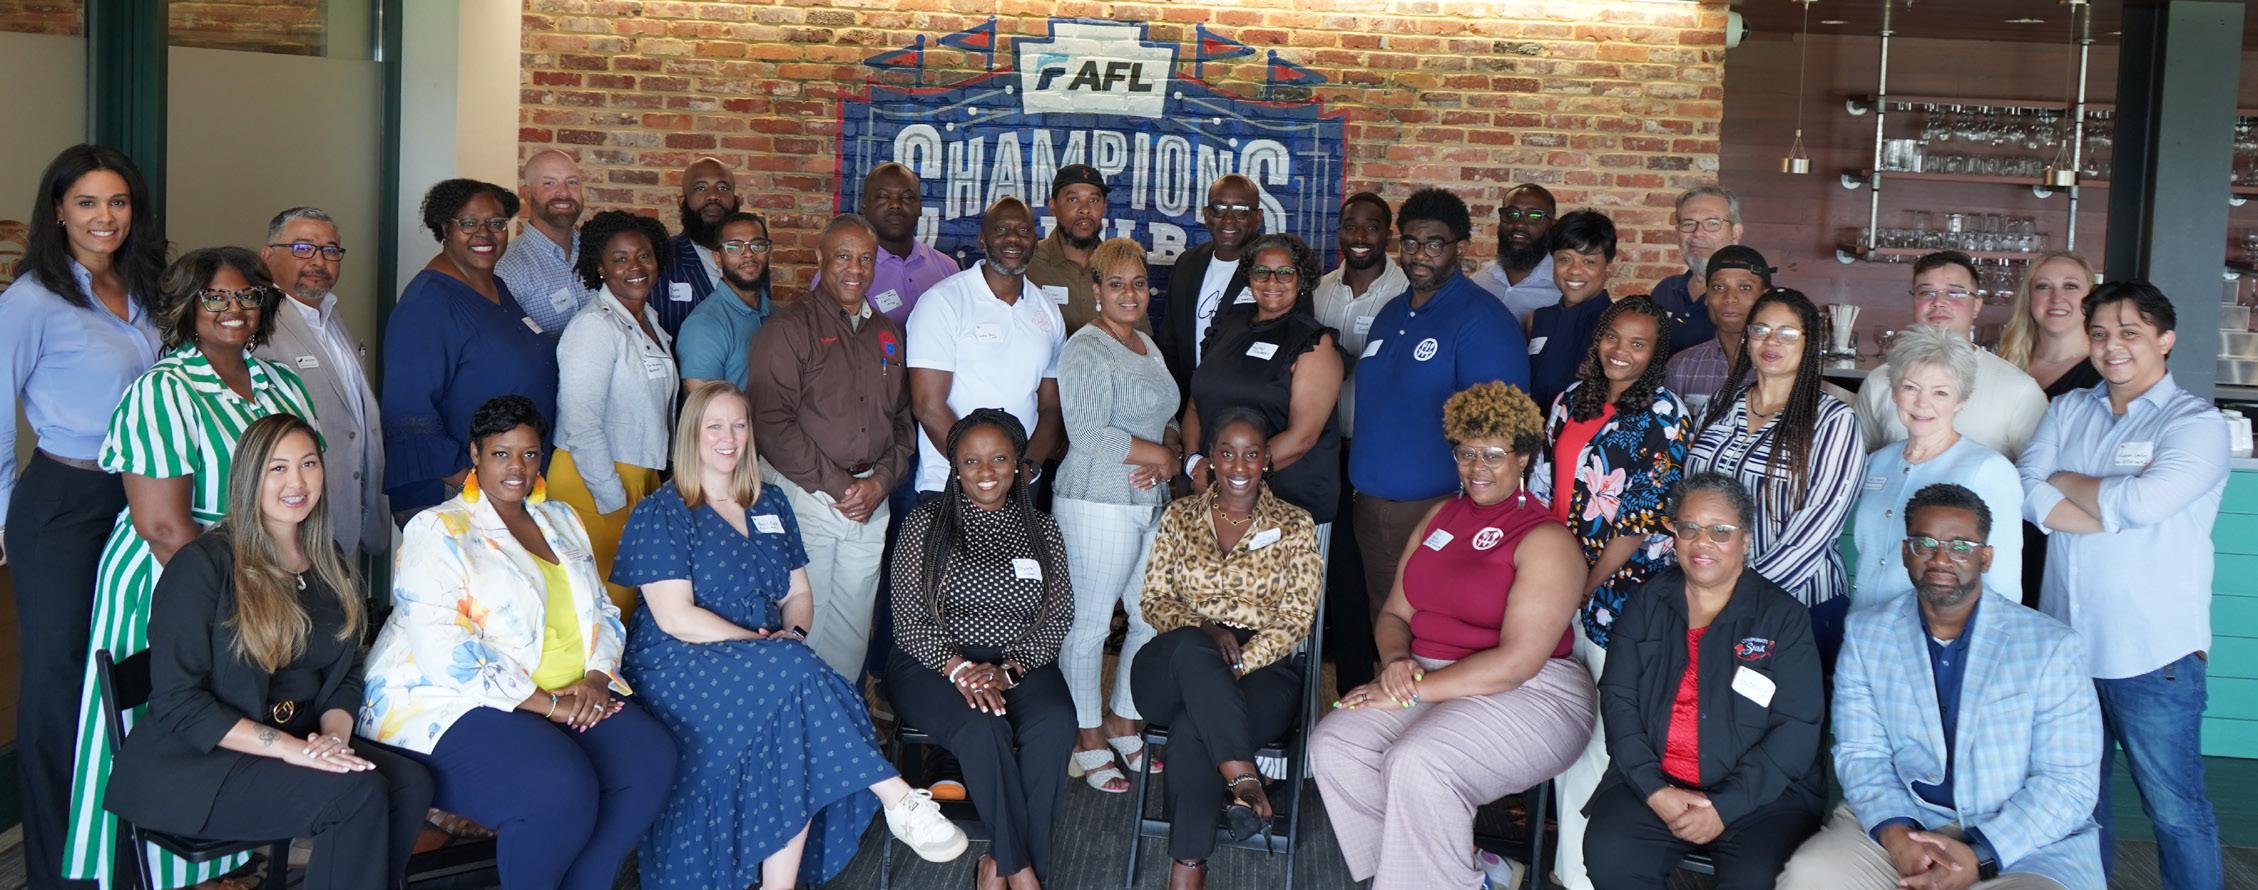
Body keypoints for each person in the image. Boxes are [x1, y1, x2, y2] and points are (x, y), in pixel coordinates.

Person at [610, 382, 966, 889]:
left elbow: (798, 594)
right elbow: (675, 618)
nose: (729, 437)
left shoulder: (770, 502)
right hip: (680, 661)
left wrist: (791, 635)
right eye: (715, 426)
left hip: (767, 658)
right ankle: (899, 798)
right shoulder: (663, 511)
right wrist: (767, 646)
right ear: (691, 435)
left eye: (739, 425)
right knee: (796, 676)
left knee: (794, 718)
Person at [64, 248, 321, 886]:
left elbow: (301, 487)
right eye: (216, 296)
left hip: (259, 577)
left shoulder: (280, 383)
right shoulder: (164, 390)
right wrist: (239, 604)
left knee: (238, 710)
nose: (234, 308)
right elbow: (163, 527)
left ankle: (227, 861)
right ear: (186, 306)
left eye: (248, 296)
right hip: (176, 581)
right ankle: (149, 874)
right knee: (169, 716)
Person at [358, 395, 677, 890]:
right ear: (476, 455)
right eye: (501, 454)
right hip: (450, 700)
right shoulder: (438, 528)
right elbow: (444, 649)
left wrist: (596, 678)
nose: (517, 468)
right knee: (557, 785)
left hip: (571, 690)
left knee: (649, 759)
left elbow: (603, 612)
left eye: (529, 454)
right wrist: (549, 706)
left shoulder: (561, 519)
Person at [103, 414, 432, 890]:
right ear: (249, 477)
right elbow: (178, 702)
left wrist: (332, 741)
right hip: (198, 764)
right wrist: (295, 751)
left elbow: (346, 672)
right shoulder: (204, 566)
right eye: (278, 468)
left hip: (293, 741)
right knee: (355, 795)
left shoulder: (327, 561)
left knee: (410, 782)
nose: (296, 482)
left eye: (308, 464)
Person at [1310, 381, 1595, 890]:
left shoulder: (1545, 538)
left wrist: (1407, 692)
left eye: (1493, 454)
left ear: (1523, 457)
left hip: (1533, 694)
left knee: (1418, 764)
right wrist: (1396, 663)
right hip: (1429, 676)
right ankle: (1430, 875)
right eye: (1466, 452)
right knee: (1336, 743)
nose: (1477, 466)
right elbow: (1394, 613)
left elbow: (1516, 664)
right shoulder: (1441, 515)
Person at [1778, 484, 2103, 890]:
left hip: (2021, 841)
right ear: (1905, 553)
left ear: (1986, 557)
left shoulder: (2051, 646)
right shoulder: (1867, 634)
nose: (1941, 558)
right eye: (1924, 543)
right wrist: (1897, 836)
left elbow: (2068, 783)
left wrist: (1981, 854)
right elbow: (1862, 754)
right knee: (1809, 876)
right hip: (1904, 819)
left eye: (1961, 546)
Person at [2017, 281, 2227, 889]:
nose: (2113, 346)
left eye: (2130, 333)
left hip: (2154, 654)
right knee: (2079, 805)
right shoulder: (2068, 408)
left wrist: (2065, 481)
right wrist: (2107, 510)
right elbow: (2026, 490)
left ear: (2166, 339)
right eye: (2101, 333)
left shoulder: (2196, 423)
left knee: (2176, 812)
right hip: (2067, 649)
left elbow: (2143, 503)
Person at [0, 143, 166, 890]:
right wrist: (4, 518)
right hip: (64, 505)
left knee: (137, 672)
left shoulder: (146, 288)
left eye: (118, 202)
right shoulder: (33, 299)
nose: (106, 217)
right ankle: (57, 873)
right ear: (59, 211)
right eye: (88, 202)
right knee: (61, 684)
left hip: (145, 499)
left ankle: (127, 861)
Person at [1583, 473, 1825, 889]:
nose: (1702, 542)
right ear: (1674, 534)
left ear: (1745, 539)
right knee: (1611, 857)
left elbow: (1798, 728)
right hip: (1656, 784)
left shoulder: (1782, 617)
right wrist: (1654, 790)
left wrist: (1725, 806)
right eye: (1689, 528)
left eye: (1720, 531)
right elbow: (1618, 699)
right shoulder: (1646, 602)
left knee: (1757, 879)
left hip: (1761, 798)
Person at [1525, 295, 1691, 890]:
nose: (1621, 351)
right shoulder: (1571, 400)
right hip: (1554, 584)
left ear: (1656, 354)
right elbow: (1543, 490)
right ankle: (1566, 866)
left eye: (1638, 344)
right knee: (1559, 722)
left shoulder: (1665, 415)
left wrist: (1579, 588)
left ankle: (1583, 876)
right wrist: (1541, 577)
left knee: (1598, 733)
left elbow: (1638, 525)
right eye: (1613, 337)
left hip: (1617, 599)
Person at [1132, 408, 1323, 889]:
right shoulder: (1179, 516)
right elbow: (1154, 600)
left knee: (1193, 726)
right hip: (1173, 665)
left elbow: (1297, 618)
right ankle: (1246, 779)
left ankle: (1187, 866)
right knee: (1193, 651)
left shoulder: (1295, 524)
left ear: (1266, 460)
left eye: (1251, 454)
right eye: (1228, 453)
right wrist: (1204, 631)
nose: (1239, 465)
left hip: (1263, 669)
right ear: (1212, 459)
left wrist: (1238, 664)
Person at [886, 410, 1076, 890]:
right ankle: (1022, 872)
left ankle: (998, 862)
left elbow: (1058, 616)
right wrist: (959, 668)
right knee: (982, 724)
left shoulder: (1042, 529)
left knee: (1055, 723)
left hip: (1018, 661)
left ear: (1019, 464)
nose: (986, 472)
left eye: (999, 459)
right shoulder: (926, 522)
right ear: (955, 467)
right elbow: (907, 618)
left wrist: (1009, 670)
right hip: (932, 662)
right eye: (972, 461)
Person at [1349, 189, 1529, 693]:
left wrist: (1469, 514)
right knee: (1389, 637)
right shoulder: (1391, 313)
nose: (1419, 255)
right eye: (1410, 243)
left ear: (1461, 248)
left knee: (1437, 643)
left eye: (1434, 244)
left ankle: (1431, 735)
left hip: (1440, 513)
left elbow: (1500, 431)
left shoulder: (1483, 321)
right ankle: (1386, 727)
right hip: (1372, 509)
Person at [746, 213, 915, 681]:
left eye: (866, 258)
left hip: (870, 500)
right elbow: (771, 423)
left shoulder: (887, 333)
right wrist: (840, 486)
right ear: (820, 258)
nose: (855, 269)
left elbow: (903, 420)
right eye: (843, 256)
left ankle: (838, 719)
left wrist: (881, 483)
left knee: (853, 631)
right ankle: (799, 719)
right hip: (808, 494)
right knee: (805, 624)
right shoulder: (787, 330)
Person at [1054, 237, 1179, 793]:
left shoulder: (1146, 344)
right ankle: (1085, 736)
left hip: (1148, 500)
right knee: (1090, 625)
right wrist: (1162, 459)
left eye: (1139, 283)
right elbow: (1086, 433)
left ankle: (1122, 718)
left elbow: (1165, 415)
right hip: (1096, 500)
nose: (1130, 294)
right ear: (1096, 289)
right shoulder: (1086, 347)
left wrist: (1168, 450)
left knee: (1150, 615)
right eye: (1117, 284)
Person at [1688, 288, 1865, 660]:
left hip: (1797, 605)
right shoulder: (1720, 404)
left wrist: (1739, 598)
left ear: (1809, 343)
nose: (1771, 342)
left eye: (1787, 333)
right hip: (1704, 598)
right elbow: (1687, 497)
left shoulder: (1832, 421)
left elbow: (1816, 528)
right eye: (1761, 330)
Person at [381, 177, 558, 520]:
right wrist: (471, 485)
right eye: (468, 223)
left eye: (496, 223)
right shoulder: (428, 303)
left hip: (504, 486)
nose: (484, 233)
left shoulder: (496, 287)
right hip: (457, 494)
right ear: (444, 227)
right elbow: (407, 411)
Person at [547, 210, 678, 613]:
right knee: (601, 607)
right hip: (594, 481)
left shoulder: (647, 319)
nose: (635, 267)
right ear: (600, 267)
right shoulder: (594, 327)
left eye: (644, 255)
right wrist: (613, 498)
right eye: (620, 259)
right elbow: (581, 422)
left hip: (637, 478)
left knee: (629, 603)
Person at [1850, 326, 2023, 605]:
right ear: (1894, 392)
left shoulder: (1987, 469)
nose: (1922, 403)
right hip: (1864, 621)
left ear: (1961, 400)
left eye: (1940, 393)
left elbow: (2003, 582)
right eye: (1910, 388)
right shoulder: (1878, 462)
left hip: (1935, 625)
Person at [1312, 192, 1407, 693]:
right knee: (1340, 576)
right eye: (1351, 225)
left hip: (1381, 455)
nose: (1361, 236)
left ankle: (1394, 685)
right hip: (1324, 450)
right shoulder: (1318, 290)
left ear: (1388, 233)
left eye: (1373, 226)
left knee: (1384, 578)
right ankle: (1350, 689)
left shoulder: (1407, 291)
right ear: (1339, 231)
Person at [1181, 232, 1342, 529]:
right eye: (1261, 271)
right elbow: (1196, 402)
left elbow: (1302, 438)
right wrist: (1194, 462)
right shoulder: (1229, 324)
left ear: (1301, 279)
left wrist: (1226, 475)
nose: (1271, 281)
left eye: (1285, 272)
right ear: (1249, 276)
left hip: (1287, 506)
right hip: (1213, 495)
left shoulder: (1315, 344)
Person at [907, 197, 1064, 497]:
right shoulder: (943, 302)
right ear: (982, 238)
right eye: (1001, 229)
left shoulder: (1048, 311)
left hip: (1021, 486)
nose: (1013, 238)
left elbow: (1050, 407)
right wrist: (979, 472)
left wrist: (1027, 468)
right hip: (950, 482)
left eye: (1023, 230)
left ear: (1035, 240)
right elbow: (928, 405)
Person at [255, 206, 387, 564]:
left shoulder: (328, 314)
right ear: (268, 256)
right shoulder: (257, 322)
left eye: (330, 250)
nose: (318, 261)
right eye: (302, 248)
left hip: (344, 513)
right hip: (294, 523)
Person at [1854, 250, 2048, 460]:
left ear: (1977, 306)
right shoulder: (1880, 380)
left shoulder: (2019, 389)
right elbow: (1857, 459)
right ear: (1914, 300)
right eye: (1926, 292)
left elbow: (2038, 471)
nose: (1939, 302)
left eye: (1954, 293)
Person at [1995, 251, 2101, 607]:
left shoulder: (2103, 373)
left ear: (2091, 298)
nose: (2057, 298)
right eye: (2043, 287)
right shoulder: (2005, 366)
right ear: (2029, 299)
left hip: (2061, 524)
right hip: (2002, 518)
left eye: (2071, 286)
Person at [1156, 174, 1261, 394]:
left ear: (1257, 217)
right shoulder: (1187, 263)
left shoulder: (1272, 270)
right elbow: (1169, 341)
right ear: (1206, 215)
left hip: (1243, 404)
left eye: (1241, 210)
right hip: (1185, 398)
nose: (1228, 219)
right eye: (1219, 208)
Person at [493, 148, 592, 343]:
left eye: (572, 182)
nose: (564, 192)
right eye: (549, 183)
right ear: (527, 193)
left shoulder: (599, 252)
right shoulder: (507, 270)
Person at [1664, 245, 1772, 422]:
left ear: (1765, 298)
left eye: (1745, 287)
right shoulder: (1681, 367)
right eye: (1718, 287)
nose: (1730, 298)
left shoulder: (1780, 366)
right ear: (1707, 297)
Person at [1028, 164, 1139, 335]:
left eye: (1093, 200)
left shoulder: (1120, 266)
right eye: (1073, 199)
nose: (1085, 209)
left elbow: (1139, 337)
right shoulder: (1029, 263)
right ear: (1053, 206)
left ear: (1104, 206)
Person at [675, 211, 779, 392]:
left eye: (758, 245)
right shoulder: (704, 325)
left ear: (768, 251)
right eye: (734, 247)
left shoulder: (779, 315)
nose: (748, 254)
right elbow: (703, 405)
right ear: (717, 258)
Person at [1527, 209, 1620, 411]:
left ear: (1608, 268)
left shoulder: (1618, 326)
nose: (1575, 270)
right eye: (1565, 259)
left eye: (1589, 261)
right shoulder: (1537, 319)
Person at [853, 161, 960, 325]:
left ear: (920, 207)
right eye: (883, 197)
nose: (895, 205)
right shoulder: (842, 272)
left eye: (907, 197)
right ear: (864, 205)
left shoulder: (948, 269)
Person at [1651, 186, 1742, 352]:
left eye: (1712, 223)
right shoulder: (1666, 290)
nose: (1698, 233)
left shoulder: (1748, 299)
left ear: (1736, 233)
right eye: (1688, 224)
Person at [658, 156, 742, 337]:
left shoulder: (752, 259)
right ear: (682, 201)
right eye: (701, 188)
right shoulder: (662, 258)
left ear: (736, 200)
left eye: (723, 188)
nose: (713, 196)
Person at [1469, 183, 1561, 323]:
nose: (1519, 224)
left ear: (1552, 225)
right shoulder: (1479, 282)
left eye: (1534, 216)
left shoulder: (1562, 288)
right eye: (1511, 214)